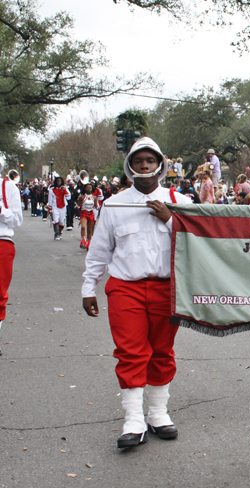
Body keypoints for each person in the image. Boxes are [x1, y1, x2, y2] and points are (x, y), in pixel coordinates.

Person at [82, 137, 192, 449]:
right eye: (138, 161)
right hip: (125, 288)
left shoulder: (179, 200)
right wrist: (88, 287)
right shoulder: (113, 204)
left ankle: (158, 413)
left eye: (150, 161)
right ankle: (133, 420)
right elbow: (100, 250)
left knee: (161, 350)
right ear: (130, 167)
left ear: (160, 166)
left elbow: (198, 243)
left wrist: (170, 220)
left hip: (166, 288)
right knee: (130, 351)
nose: (144, 166)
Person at [0, 162, 24, 355]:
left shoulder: (8, 187)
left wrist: (1, 209)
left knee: (0, 294)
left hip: (2, 243)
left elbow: (17, 220)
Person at [47, 176, 70, 240]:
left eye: (60, 181)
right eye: (57, 181)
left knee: (61, 222)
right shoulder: (52, 189)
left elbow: (68, 197)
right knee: (55, 220)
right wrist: (50, 208)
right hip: (55, 206)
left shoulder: (65, 188)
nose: (58, 182)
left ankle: (60, 232)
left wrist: (64, 190)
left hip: (63, 207)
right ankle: (56, 234)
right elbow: (50, 199)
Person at [77, 183, 96, 250]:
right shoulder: (82, 197)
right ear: (85, 189)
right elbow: (78, 205)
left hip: (91, 213)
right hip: (84, 212)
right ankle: (83, 240)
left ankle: (89, 242)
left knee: (89, 230)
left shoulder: (94, 197)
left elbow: (96, 206)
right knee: (83, 227)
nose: (88, 189)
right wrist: (77, 206)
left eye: (90, 188)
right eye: (87, 188)